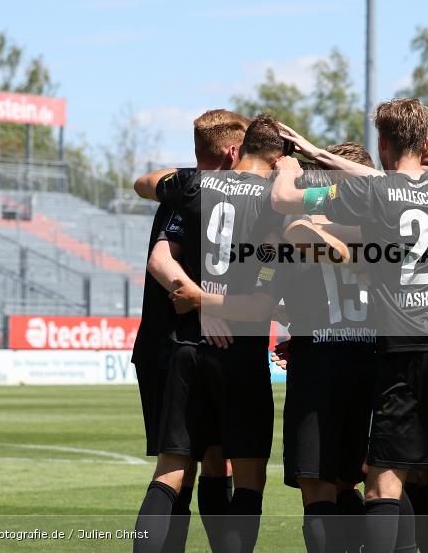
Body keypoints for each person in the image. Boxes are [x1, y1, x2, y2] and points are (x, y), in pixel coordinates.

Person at [272, 98, 428, 553]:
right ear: (426, 142)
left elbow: (284, 200)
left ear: (381, 143)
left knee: (382, 485)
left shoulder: (371, 195)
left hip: (406, 354)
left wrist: (288, 167)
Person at [137, 113, 289, 552]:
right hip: (238, 351)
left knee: (172, 472)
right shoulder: (276, 200)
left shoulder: (190, 186)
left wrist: (199, 298)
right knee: (248, 476)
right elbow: (261, 300)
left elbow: (157, 243)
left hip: (184, 345)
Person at [130, 109, 248, 552]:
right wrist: (205, 305)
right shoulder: (202, 193)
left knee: (200, 464)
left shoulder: (182, 186)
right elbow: (161, 260)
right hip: (187, 343)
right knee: (185, 466)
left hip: (165, 345)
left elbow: (142, 182)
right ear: (233, 151)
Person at [275, 145, 378, 553]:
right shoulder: (378, 226)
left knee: (318, 489)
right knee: (359, 482)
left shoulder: (300, 226)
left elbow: (278, 288)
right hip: (368, 359)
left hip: (319, 362)